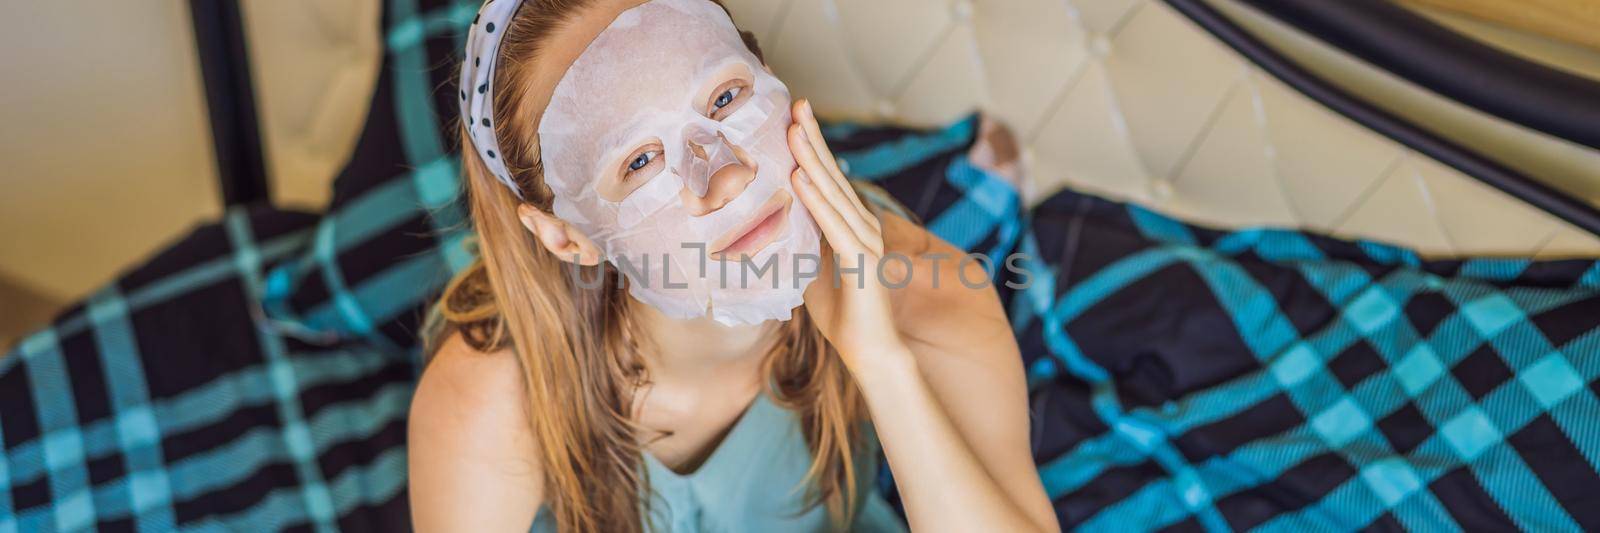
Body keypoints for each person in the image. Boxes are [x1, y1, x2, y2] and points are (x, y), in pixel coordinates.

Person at [406, 0, 1056, 531]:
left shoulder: (924, 290)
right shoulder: (489, 395)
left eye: (724, 98)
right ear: (564, 237)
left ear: (770, 78)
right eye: (639, 160)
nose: (727, 174)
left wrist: (881, 362)